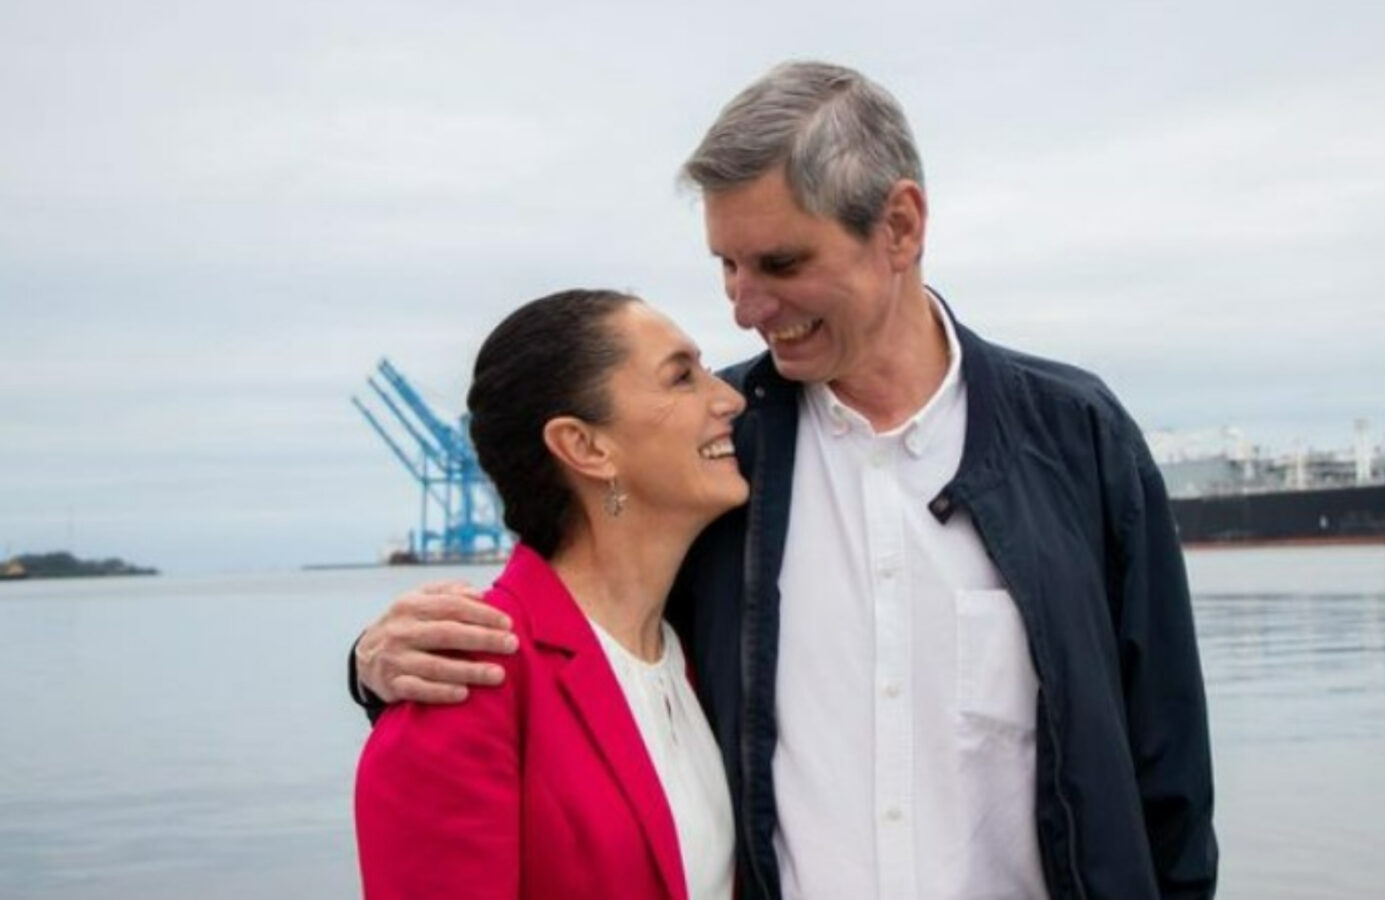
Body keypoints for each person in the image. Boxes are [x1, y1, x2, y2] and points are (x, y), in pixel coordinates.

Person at [352, 62, 1218, 899]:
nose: (744, 305)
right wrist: (373, 668)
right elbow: (583, 612)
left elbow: (1168, 771)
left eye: (778, 263)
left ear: (901, 227)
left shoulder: (1078, 439)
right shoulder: (724, 461)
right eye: (726, 266)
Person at [354, 289, 745, 900]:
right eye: (681, 378)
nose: (731, 399)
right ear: (585, 447)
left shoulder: (693, 650)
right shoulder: (464, 681)